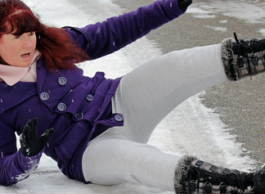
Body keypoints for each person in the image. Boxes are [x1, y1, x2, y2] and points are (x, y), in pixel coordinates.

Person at [0, 0, 265, 193]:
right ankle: (249, 186)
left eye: (31, 33)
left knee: (171, 66)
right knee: (139, 160)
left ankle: (258, 54)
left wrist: (170, 6)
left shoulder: (54, 44)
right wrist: (27, 155)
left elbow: (115, 30)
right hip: (88, 153)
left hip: (118, 100)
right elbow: (4, 170)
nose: (28, 43)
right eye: (16, 37)